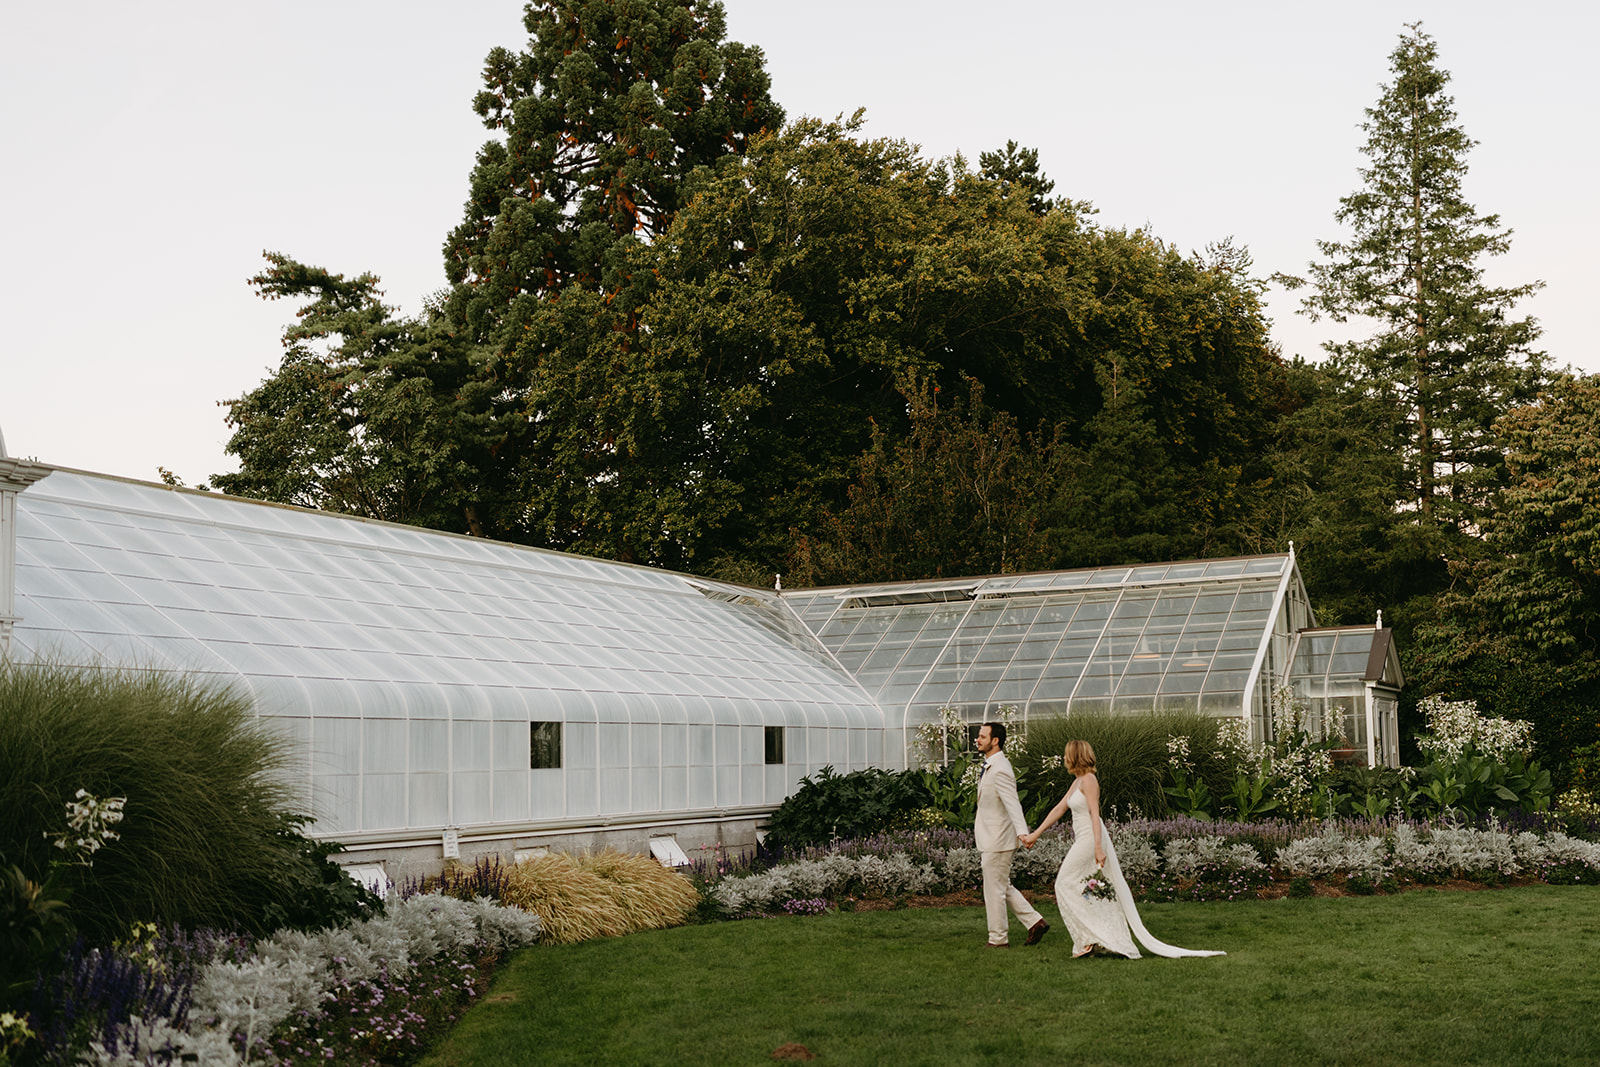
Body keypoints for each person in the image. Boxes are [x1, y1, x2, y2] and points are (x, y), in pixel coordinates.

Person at [1022, 740, 1223, 959]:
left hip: (1091, 838)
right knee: (1083, 887)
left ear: (1075, 756)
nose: (1063, 759)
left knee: (1064, 883)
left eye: (1066, 755)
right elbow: (1060, 808)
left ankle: (1091, 938)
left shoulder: (1089, 780)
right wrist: (1036, 834)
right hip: (1083, 837)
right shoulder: (1077, 781)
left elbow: (1094, 814)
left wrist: (1099, 848)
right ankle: (1093, 939)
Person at [973, 721, 1050, 948]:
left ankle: (998, 939)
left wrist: (1023, 833)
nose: (977, 739)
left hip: (998, 840)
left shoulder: (1000, 768)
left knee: (994, 890)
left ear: (995, 741)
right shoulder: (991, 766)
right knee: (1002, 885)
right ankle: (1035, 922)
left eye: (982, 736)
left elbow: (1013, 804)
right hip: (993, 838)